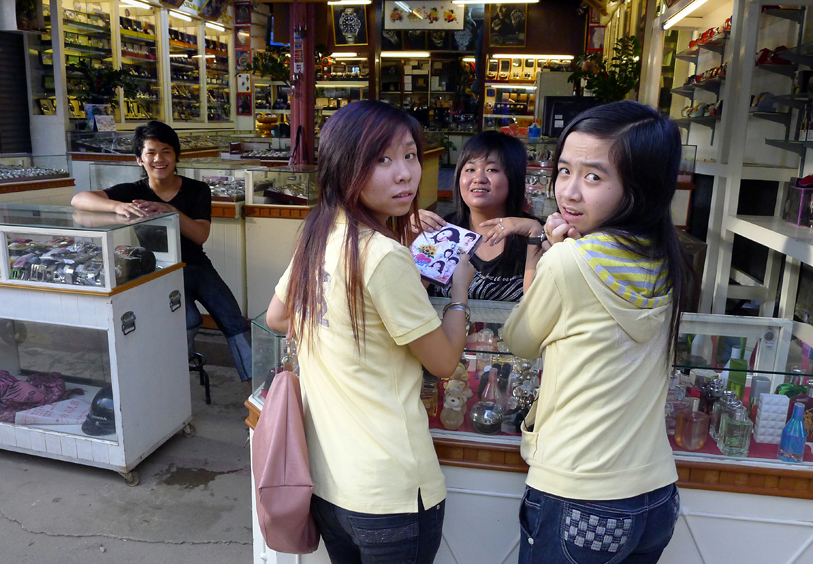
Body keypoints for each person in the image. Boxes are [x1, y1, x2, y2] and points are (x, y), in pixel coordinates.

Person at [265, 100, 474, 564]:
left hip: (329, 483)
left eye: (409, 155)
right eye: (381, 160)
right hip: (391, 492)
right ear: (346, 166)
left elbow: (278, 317)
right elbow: (443, 363)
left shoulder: (318, 232)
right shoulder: (384, 258)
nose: (404, 174)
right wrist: (459, 292)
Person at [502, 101, 692, 564]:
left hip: (578, 495)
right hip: (656, 494)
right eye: (564, 170)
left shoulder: (571, 261)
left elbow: (519, 340)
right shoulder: (668, 256)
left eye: (593, 177)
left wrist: (548, 251)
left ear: (640, 186)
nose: (569, 191)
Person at [71, 121, 252, 383]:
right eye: (151, 152)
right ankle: (174, 380)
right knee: (187, 321)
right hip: (159, 271)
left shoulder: (196, 189)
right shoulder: (133, 192)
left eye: (166, 151)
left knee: (234, 321)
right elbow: (79, 199)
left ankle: (260, 392)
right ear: (139, 159)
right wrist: (116, 207)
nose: (159, 159)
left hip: (197, 267)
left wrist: (172, 211)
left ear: (177, 155)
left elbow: (200, 234)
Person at [415, 130, 544, 301]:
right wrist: (413, 243)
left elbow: (540, 308)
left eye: (492, 169)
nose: (478, 178)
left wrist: (535, 237)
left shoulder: (538, 233)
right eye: (469, 169)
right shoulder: (442, 231)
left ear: (514, 177)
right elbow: (413, 299)